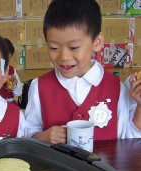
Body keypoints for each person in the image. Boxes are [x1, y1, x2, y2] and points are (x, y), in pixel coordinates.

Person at [24, 0, 141, 144]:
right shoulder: (39, 87)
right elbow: (27, 132)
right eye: (54, 48)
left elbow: (129, 138)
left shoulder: (116, 87)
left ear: (97, 42)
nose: (64, 57)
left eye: (73, 47)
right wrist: (42, 137)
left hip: (105, 166)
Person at [0, 38, 23, 102]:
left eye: (9, 59)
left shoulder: (11, 69)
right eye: (3, 60)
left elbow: (19, 93)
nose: (6, 63)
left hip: (9, 103)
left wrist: (15, 84)